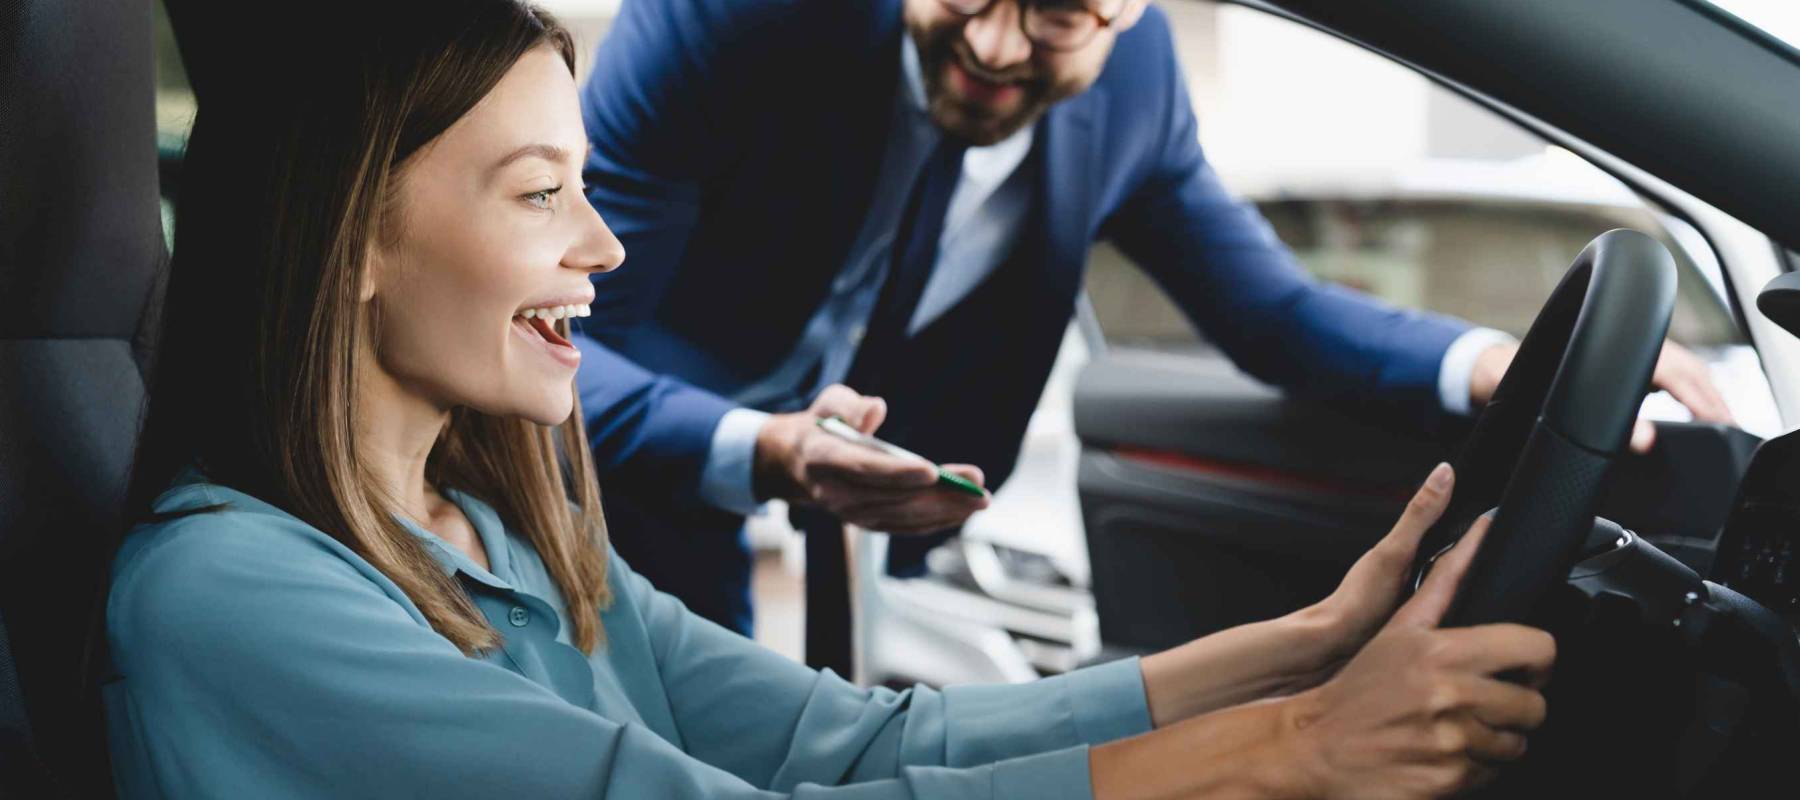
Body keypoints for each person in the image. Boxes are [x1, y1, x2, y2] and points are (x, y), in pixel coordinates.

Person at [105, 3, 1554, 796]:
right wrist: (1298, 748)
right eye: (542, 194)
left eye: (586, 189)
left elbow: (864, 748)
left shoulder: (511, 535)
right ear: (352, 235)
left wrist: (1302, 649)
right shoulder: (230, 594)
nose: (606, 247)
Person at [570, 0, 1736, 653]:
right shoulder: (732, 19)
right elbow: (567, 340)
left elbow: (1269, 311)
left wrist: (1489, 360)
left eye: (1055, 10)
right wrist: (757, 448)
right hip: (604, 480)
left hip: (860, 502)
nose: (993, 43)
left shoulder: (1135, 88)